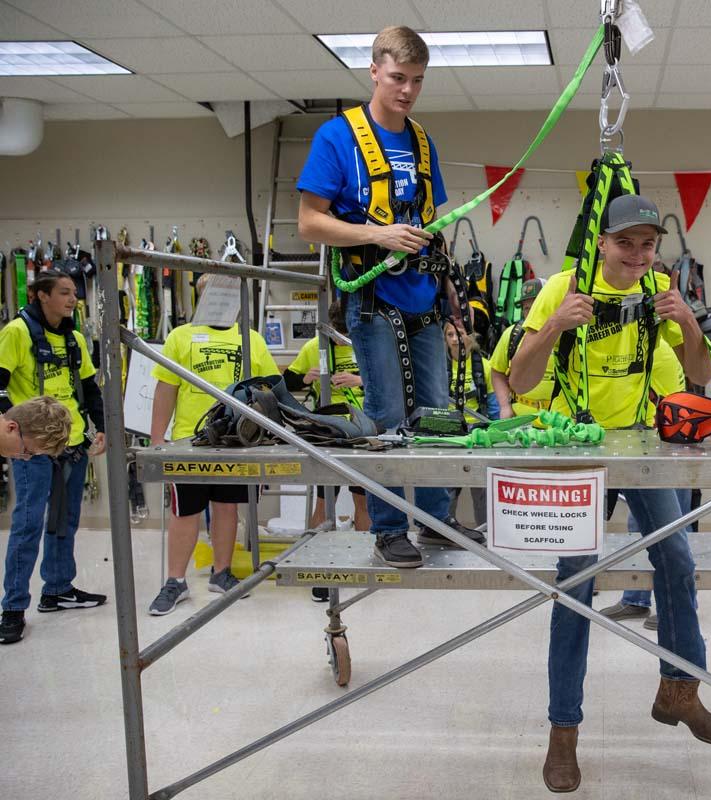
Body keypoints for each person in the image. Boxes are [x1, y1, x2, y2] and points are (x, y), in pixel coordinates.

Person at [510, 194, 711, 793]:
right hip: (577, 448)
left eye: (647, 244)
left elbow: (698, 378)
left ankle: (680, 692)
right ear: (602, 243)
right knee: (576, 583)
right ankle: (564, 732)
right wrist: (556, 324)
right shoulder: (564, 286)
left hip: (641, 446)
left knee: (677, 560)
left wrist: (686, 320)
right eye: (625, 243)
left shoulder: (659, 291)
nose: (637, 255)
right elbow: (520, 380)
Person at [297, 25, 482, 568]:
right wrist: (377, 234)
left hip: (424, 293)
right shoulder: (337, 137)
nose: (406, 91)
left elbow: (432, 222)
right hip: (371, 296)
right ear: (374, 70)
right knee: (385, 413)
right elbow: (309, 223)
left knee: (436, 411)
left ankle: (434, 519)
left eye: (417, 81)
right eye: (398, 78)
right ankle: (387, 527)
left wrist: (450, 292)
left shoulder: (422, 142)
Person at [146, 274, 280, 616]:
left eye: (227, 293)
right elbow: (166, 389)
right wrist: (158, 439)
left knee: (227, 508)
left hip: (235, 441)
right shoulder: (181, 337)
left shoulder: (250, 339)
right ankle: (175, 581)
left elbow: (268, 390)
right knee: (184, 511)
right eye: (213, 293)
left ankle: (221, 573)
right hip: (189, 442)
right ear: (200, 296)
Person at [0, 270, 108, 645]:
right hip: (34, 450)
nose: (72, 298)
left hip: (73, 443)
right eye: (64, 292)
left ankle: (58, 589)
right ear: (40, 295)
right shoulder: (17, 332)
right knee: (28, 524)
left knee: (65, 520)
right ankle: (12, 608)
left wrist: (101, 426)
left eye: (74, 293)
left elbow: (91, 388)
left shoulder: (75, 338)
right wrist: (12, 427)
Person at [598, 334, 698, 630]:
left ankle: (681, 603)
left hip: (668, 448)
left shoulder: (657, 351)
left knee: (675, 530)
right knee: (637, 525)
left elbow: (672, 408)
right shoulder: (638, 346)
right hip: (647, 449)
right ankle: (636, 599)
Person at [284, 300, 370, 537]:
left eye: (345, 335)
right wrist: (306, 379)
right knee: (323, 499)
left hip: (362, 430)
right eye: (336, 334)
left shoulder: (366, 344)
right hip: (329, 431)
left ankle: (368, 554)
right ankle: (313, 555)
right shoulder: (314, 347)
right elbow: (286, 382)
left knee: (362, 500)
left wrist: (359, 380)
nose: (341, 340)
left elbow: (391, 384)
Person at [444, 319, 497, 525]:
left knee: (482, 490)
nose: (456, 339)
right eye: (450, 335)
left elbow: (492, 404)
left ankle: (486, 531)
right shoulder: (440, 366)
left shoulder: (484, 365)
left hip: (478, 434)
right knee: (447, 491)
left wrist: (494, 433)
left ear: (471, 336)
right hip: (449, 435)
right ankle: (442, 531)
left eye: (460, 334)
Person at [490, 278, 551, 419]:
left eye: (536, 305)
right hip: (521, 424)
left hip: (559, 423)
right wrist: (505, 406)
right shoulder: (512, 334)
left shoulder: (566, 334)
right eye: (526, 308)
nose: (531, 313)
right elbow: (497, 373)